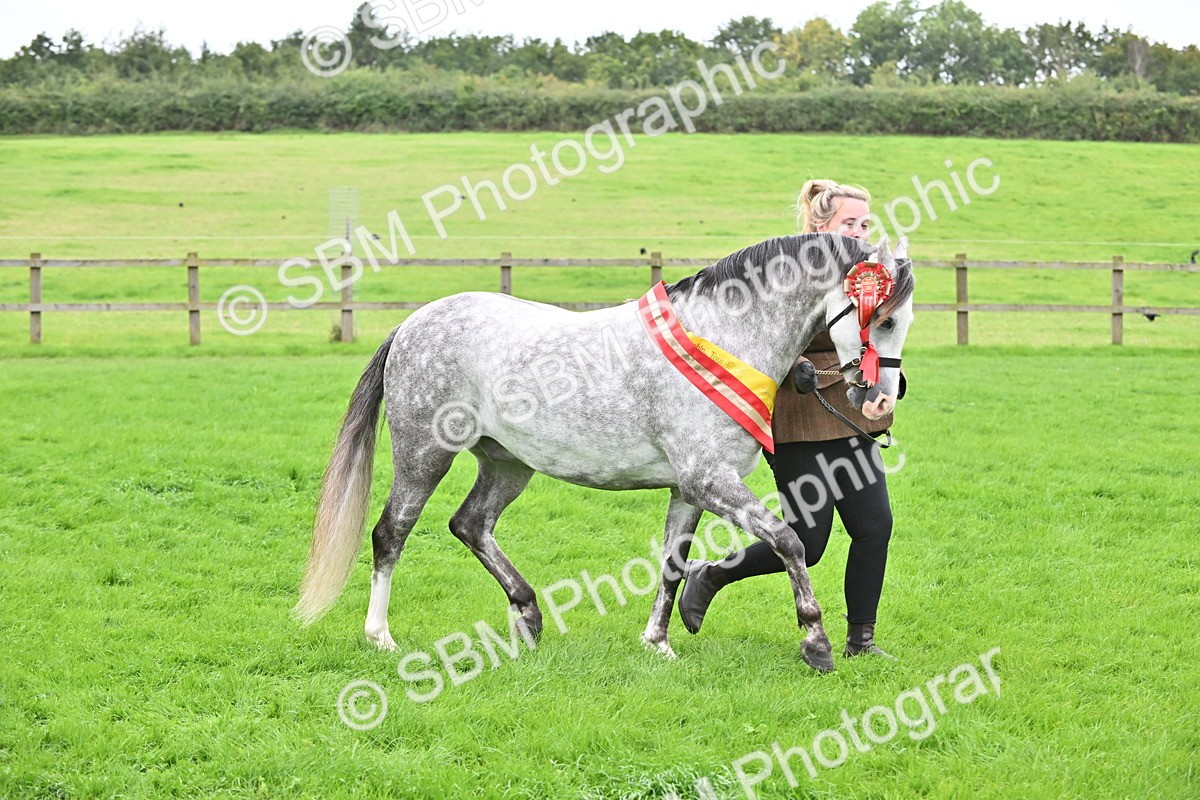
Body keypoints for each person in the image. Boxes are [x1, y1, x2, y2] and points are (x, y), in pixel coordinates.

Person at [678, 179, 901, 659]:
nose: (860, 231)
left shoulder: (869, 276)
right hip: (799, 420)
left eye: (865, 223)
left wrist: (890, 384)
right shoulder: (786, 274)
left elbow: (883, 339)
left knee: (874, 526)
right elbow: (758, 341)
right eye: (849, 223)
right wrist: (796, 369)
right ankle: (711, 573)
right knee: (811, 542)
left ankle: (861, 642)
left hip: (855, 417)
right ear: (822, 225)